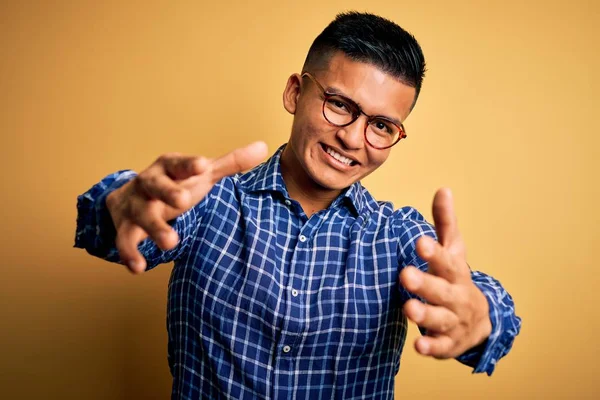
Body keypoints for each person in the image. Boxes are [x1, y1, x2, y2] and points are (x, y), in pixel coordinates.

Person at [75, 11, 521, 399]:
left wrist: (481, 317)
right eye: (339, 104)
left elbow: (463, 294)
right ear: (295, 93)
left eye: (382, 126)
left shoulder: (399, 236)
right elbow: (124, 222)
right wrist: (120, 204)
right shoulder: (208, 201)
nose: (352, 137)